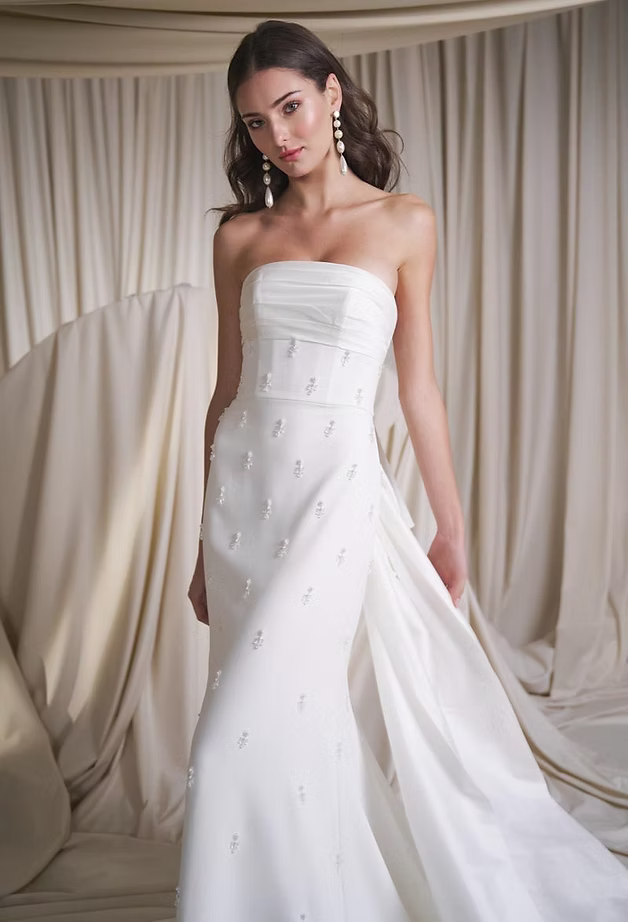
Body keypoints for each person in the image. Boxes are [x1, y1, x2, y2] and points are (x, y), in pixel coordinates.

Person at [178, 18, 628, 922]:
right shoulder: (240, 238)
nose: (278, 136)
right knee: (286, 719)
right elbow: (225, 393)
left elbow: (419, 388)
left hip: (335, 495)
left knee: (243, 732)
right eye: (257, 122)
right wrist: (199, 543)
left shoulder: (404, 222)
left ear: (331, 93)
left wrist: (450, 527)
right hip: (244, 502)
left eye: (290, 107)